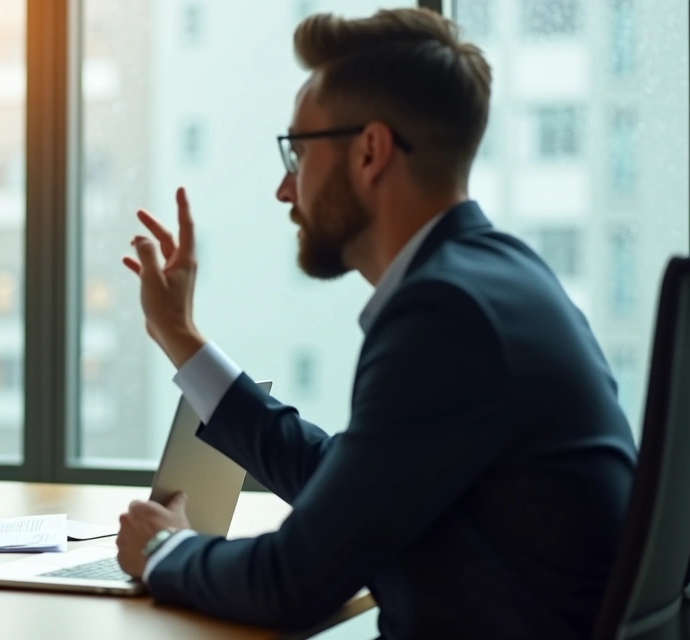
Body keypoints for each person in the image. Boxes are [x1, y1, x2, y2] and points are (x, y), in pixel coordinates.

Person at [114, 9, 636, 638]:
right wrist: (181, 339)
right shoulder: (496, 277)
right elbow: (351, 481)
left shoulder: (444, 314)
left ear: (370, 151)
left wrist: (163, 552)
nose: (286, 190)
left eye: (297, 153)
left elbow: (291, 582)